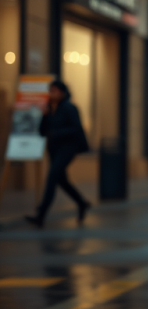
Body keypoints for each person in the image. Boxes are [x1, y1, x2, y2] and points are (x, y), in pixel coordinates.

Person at [26, 80, 90, 227]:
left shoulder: (69, 108)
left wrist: (56, 133)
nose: (51, 94)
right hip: (54, 150)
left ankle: (41, 215)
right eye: (50, 91)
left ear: (61, 92)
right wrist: (44, 116)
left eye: (54, 91)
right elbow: (42, 132)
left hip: (68, 149)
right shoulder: (49, 110)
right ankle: (82, 203)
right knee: (62, 181)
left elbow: (77, 129)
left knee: (52, 178)